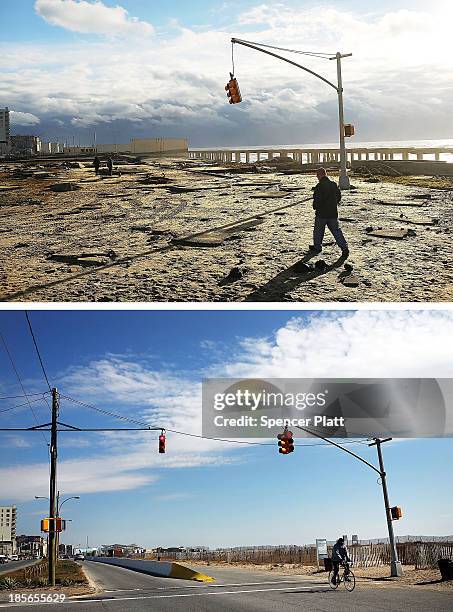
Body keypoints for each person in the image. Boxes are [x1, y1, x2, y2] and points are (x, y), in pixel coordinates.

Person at [309, 167, 349, 258]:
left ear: (321, 174)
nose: (317, 177)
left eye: (317, 175)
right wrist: (334, 204)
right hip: (332, 213)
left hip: (321, 213)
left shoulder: (319, 186)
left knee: (318, 231)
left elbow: (317, 200)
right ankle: (344, 248)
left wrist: (315, 206)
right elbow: (339, 196)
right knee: (336, 231)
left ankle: (317, 247)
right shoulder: (333, 184)